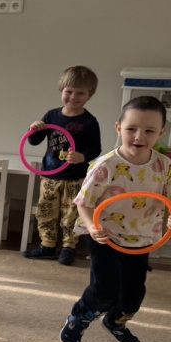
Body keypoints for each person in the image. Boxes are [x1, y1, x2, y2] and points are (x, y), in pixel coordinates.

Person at [59, 96, 171, 342]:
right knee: (105, 289)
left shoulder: (164, 166)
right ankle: (79, 316)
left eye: (149, 130)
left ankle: (115, 321)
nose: (139, 136)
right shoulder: (105, 165)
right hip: (104, 235)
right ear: (119, 128)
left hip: (142, 237)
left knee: (133, 295)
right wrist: (92, 227)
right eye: (132, 129)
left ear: (161, 133)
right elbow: (84, 202)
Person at [24, 65, 103, 265]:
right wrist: (34, 129)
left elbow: (95, 148)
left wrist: (82, 156)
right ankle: (47, 245)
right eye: (69, 91)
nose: (73, 97)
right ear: (61, 90)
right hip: (50, 175)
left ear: (89, 95)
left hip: (76, 177)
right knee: (46, 210)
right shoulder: (51, 116)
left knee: (71, 213)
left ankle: (69, 247)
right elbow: (34, 141)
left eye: (80, 93)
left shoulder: (89, 121)